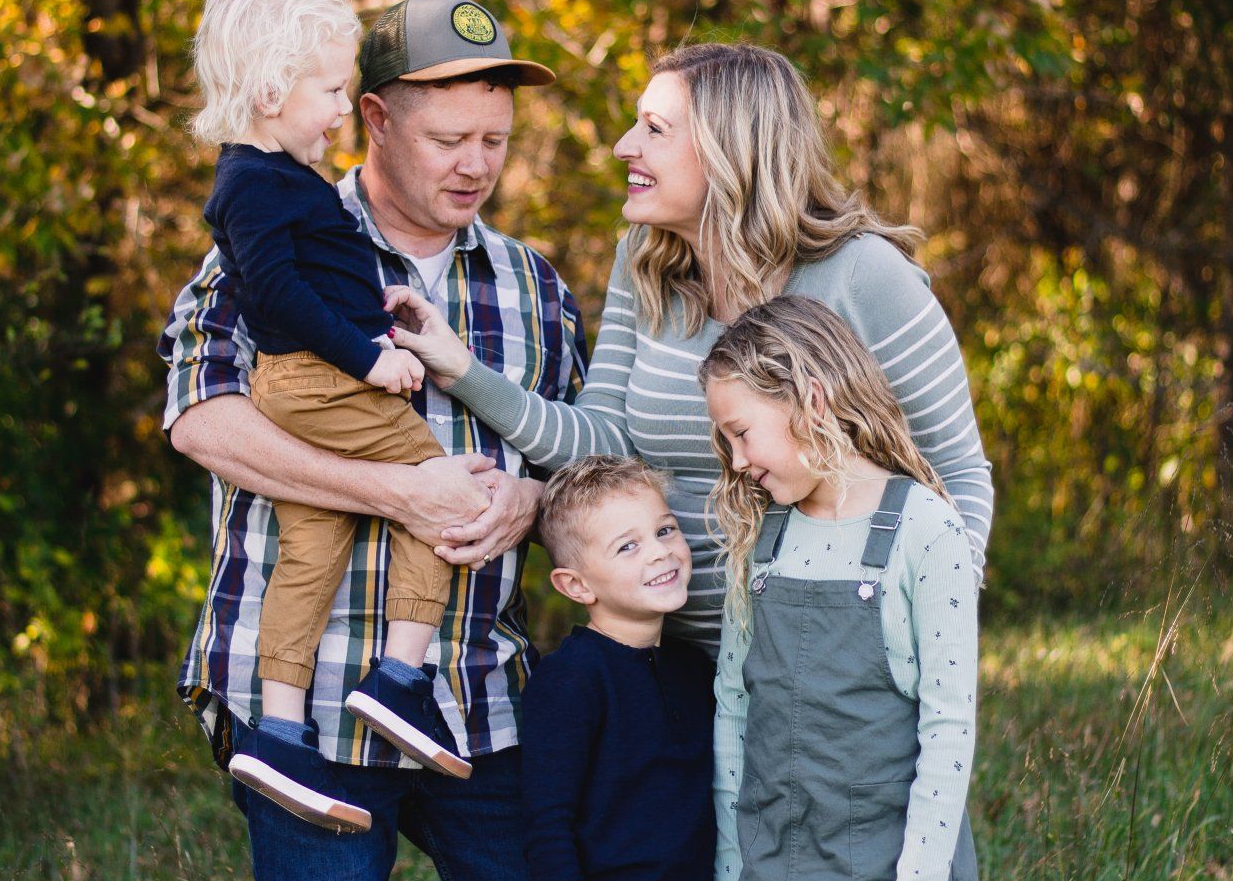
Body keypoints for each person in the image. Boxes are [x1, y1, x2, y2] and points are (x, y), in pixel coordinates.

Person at [160, 0, 573, 881]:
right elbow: (199, 420)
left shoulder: (534, 286)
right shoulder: (271, 242)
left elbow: (582, 465)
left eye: (495, 139)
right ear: (374, 117)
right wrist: (399, 490)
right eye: (449, 138)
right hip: (311, 707)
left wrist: (529, 501)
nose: (476, 164)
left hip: (472, 696)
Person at [388, 42, 994, 661]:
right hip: (675, 659)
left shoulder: (863, 274)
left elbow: (957, 473)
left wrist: (934, 642)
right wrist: (464, 371)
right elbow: (604, 443)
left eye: (654, 129)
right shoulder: (645, 262)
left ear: (730, 150)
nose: (625, 145)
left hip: (832, 666)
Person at [191, 0, 472, 832]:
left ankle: (280, 730)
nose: (341, 110)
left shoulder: (269, 179)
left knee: (310, 542)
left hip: (317, 372)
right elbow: (276, 295)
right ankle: (399, 679)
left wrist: (374, 311)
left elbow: (307, 275)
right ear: (273, 88)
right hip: (321, 379)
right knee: (440, 487)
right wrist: (368, 358)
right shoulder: (256, 183)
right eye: (332, 90)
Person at [700, 296, 983, 881]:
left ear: (811, 401)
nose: (737, 461)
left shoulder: (928, 531)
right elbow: (733, 712)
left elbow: (949, 728)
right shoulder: (762, 542)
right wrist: (732, 878)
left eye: (742, 432)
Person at [519, 455, 734, 881]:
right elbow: (547, 823)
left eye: (664, 530)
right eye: (627, 546)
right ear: (574, 584)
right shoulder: (570, 680)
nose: (661, 550)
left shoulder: (694, 668)